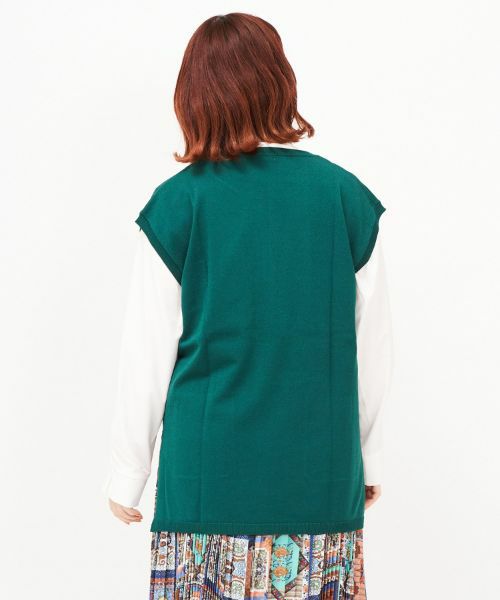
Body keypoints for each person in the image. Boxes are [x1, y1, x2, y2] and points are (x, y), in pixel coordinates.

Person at [103, 12, 393, 600]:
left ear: (193, 95)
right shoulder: (345, 199)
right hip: (320, 486)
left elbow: (147, 357)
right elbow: (373, 353)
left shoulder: (177, 206)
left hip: (206, 490)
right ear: (280, 83)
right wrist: (370, 460)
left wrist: (127, 473)